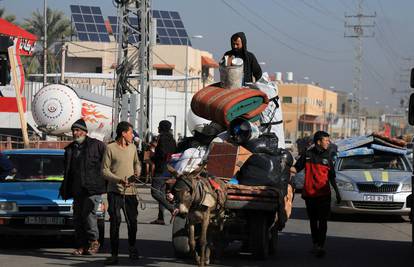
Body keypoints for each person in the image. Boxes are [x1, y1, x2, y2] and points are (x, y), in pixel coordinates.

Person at [59, 118, 106, 256]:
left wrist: (106, 189)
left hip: (92, 188)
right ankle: (81, 245)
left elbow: (107, 165)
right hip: (76, 189)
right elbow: (67, 171)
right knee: (78, 218)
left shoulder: (97, 145)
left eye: (78, 130)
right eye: (73, 130)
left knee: (89, 216)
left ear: (85, 132)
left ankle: (93, 242)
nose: (75, 133)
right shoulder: (69, 149)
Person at [290, 131, 341, 257]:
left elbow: (332, 177)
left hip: (324, 195)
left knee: (323, 221)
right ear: (318, 142)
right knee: (313, 221)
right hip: (310, 195)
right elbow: (295, 169)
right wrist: (284, 166)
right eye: (326, 140)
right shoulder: (307, 155)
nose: (328, 142)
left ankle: (320, 245)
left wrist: (338, 193)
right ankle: (315, 243)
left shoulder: (328, 156)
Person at [102, 121, 141, 265]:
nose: (133, 135)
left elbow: (137, 162)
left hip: (131, 192)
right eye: (131, 132)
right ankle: (114, 254)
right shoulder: (110, 148)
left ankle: (132, 247)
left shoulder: (133, 148)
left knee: (133, 222)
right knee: (115, 222)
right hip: (114, 192)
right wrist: (119, 180)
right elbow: (104, 170)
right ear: (123, 133)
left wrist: (138, 171)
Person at [150, 120, 177, 225]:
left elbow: (161, 154)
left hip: (161, 169)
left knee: (155, 192)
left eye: (158, 127)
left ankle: (172, 208)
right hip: (169, 169)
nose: (157, 128)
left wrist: (153, 158)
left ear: (161, 128)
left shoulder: (162, 138)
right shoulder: (172, 139)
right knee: (161, 193)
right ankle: (160, 218)